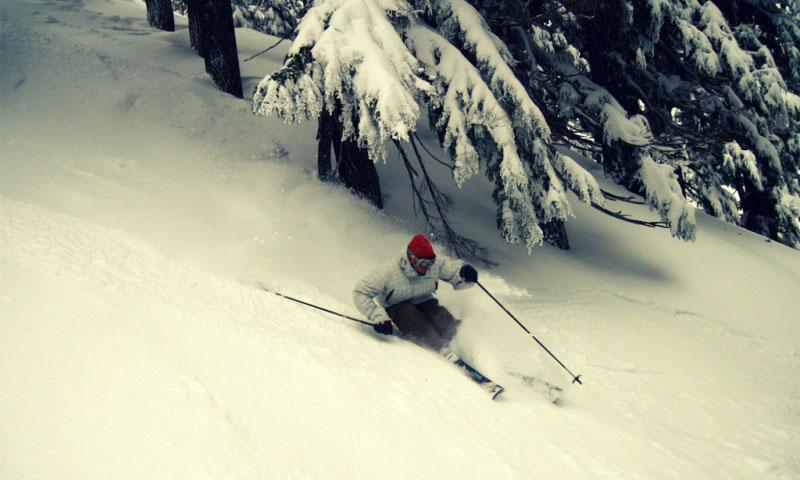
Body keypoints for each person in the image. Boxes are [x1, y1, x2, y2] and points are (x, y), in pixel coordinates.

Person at [353, 234, 479, 352]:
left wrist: (464, 275)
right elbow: (360, 292)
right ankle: (439, 348)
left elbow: (454, 272)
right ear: (412, 259)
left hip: (424, 300)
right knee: (414, 320)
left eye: (431, 262)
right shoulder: (387, 271)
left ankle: (461, 346)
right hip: (397, 307)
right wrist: (378, 317)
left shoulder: (434, 265)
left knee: (443, 320)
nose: (429, 267)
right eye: (424, 263)